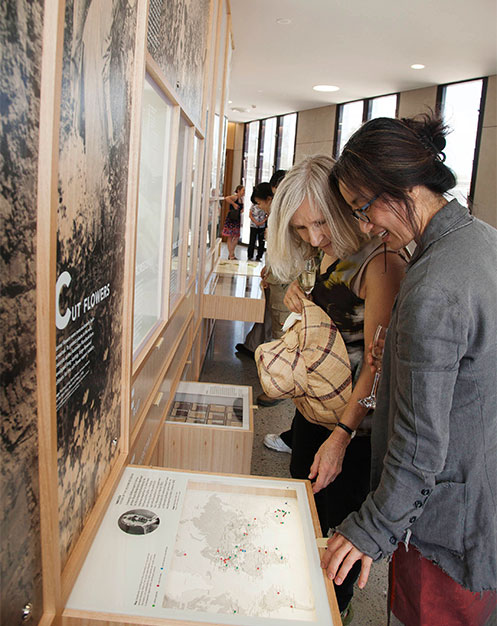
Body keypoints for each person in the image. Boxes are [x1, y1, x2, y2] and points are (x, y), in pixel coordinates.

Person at [317, 114, 497, 625]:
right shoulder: (481, 240)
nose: (366, 226)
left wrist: (370, 528)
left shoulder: (434, 285)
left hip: (445, 524)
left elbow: (420, 446)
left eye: (363, 208)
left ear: (401, 187)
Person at [265, 155, 407, 619]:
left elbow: (376, 367)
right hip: (311, 419)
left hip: (353, 434)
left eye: (322, 222)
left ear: (345, 206)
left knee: (338, 548)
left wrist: (343, 436)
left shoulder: (380, 263)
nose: (315, 237)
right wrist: (300, 301)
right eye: (302, 229)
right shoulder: (318, 254)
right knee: (303, 523)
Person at [247, 183, 271, 261]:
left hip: (262, 226)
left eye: (259, 203)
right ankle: (250, 255)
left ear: (269, 199)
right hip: (254, 225)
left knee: (261, 242)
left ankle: (259, 256)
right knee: (252, 241)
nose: (259, 206)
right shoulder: (253, 206)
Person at [222, 185, 244, 259]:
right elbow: (226, 198)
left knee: (236, 236)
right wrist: (234, 204)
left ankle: (231, 253)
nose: (244, 192)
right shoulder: (235, 197)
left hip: (237, 219)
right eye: (243, 190)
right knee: (230, 236)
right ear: (238, 190)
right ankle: (231, 254)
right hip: (231, 219)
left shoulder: (241, 199)